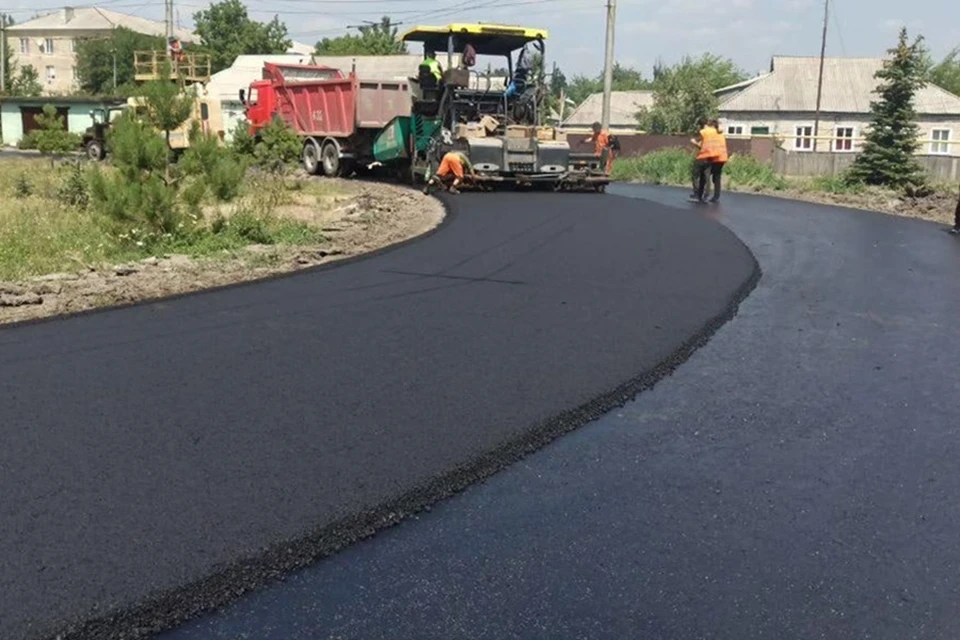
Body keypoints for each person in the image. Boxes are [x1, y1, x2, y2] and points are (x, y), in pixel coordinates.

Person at [689, 120, 723, 203]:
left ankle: (697, 193)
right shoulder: (718, 134)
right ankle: (706, 195)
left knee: (696, 175)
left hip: (703, 156)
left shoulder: (705, 132)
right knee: (707, 177)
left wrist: (694, 142)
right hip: (712, 157)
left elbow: (702, 144)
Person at [706, 118, 729, 203]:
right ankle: (716, 195)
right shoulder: (721, 134)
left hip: (715, 158)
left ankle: (706, 194)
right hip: (722, 157)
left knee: (707, 175)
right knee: (716, 176)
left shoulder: (712, 135)